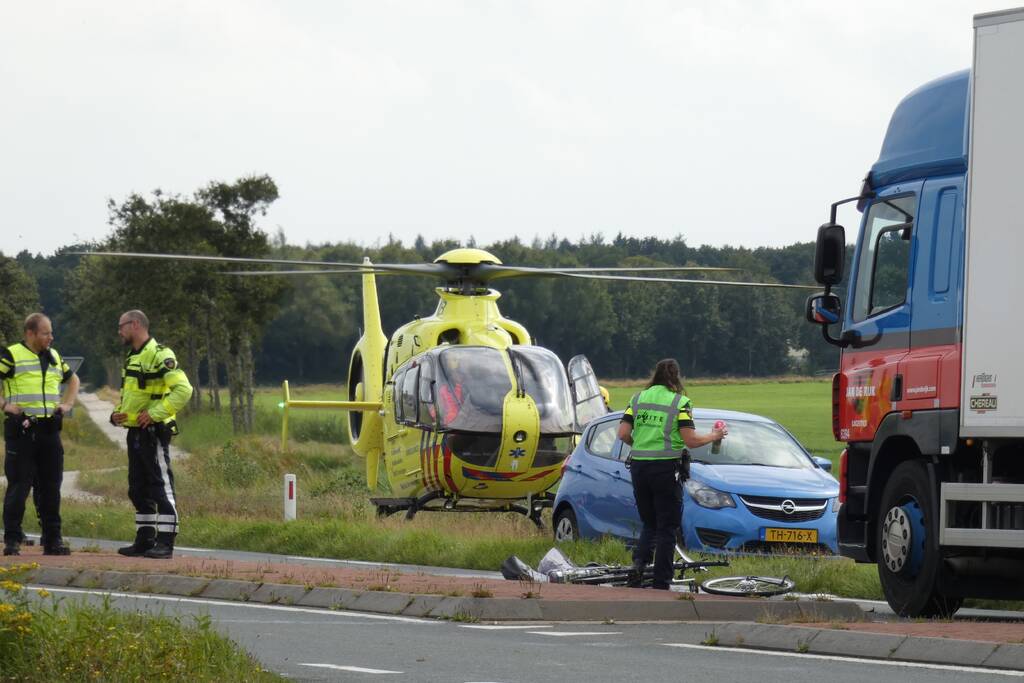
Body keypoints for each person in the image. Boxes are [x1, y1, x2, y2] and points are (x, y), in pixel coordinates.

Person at [617, 358, 726, 589]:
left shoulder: (637, 399)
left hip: (639, 468)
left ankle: (638, 566)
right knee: (667, 526)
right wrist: (714, 437)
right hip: (665, 469)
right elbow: (691, 440)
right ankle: (661, 581)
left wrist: (641, 444)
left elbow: (623, 434)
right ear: (676, 377)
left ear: (654, 375)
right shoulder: (680, 402)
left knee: (649, 522)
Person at [110, 310, 193, 559]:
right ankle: (145, 539)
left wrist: (156, 414)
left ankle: (166, 542)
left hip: (153, 432)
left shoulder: (160, 355)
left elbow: (183, 390)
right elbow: (131, 395)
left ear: (135, 325)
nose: (119, 331)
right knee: (137, 488)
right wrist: (116, 414)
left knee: (160, 486)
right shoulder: (133, 356)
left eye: (121, 326)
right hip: (135, 431)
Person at [1, 313, 80, 556]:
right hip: (22, 430)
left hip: (49, 430)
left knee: (51, 486)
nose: (51, 337)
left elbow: (73, 379)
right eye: (46, 333)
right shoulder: (12, 354)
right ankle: (12, 539)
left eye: (51, 332)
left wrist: (67, 405)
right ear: (30, 333)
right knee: (20, 485)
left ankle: (52, 539)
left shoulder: (54, 356)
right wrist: (4, 405)